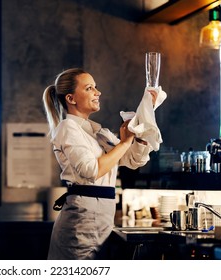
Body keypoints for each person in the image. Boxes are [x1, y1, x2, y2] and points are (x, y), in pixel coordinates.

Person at [42, 68, 158, 260]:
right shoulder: (67, 127)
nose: (98, 92)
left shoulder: (99, 132)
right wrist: (124, 142)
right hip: (81, 221)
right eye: (89, 88)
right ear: (71, 99)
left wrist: (142, 125)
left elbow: (133, 160)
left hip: (102, 219)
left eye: (95, 87)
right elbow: (92, 170)